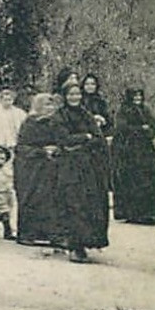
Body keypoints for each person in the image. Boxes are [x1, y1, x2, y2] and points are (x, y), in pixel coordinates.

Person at [54, 78, 109, 261]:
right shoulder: (60, 116)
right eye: (71, 94)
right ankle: (74, 246)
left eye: (77, 94)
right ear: (64, 96)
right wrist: (85, 137)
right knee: (73, 203)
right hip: (69, 166)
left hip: (88, 165)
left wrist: (83, 139)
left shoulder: (86, 114)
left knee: (90, 203)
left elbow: (98, 138)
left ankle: (88, 241)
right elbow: (63, 139)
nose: (74, 97)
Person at [13, 93, 65, 244]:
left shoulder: (56, 122)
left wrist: (56, 149)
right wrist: (42, 151)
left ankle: (52, 234)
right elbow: (22, 146)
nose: (50, 108)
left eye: (51, 105)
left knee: (52, 200)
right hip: (32, 167)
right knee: (32, 198)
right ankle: (28, 234)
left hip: (51, 166)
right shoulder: (30, 122)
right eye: (46, 105)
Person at [110, 88, 155, 225]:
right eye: (135, 96)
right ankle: (132, 212)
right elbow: (122, 128)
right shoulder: (124, 110)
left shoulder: (146, 110)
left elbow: (154, 127)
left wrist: (147, 131)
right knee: (131, 180)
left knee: (147, 179)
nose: (137, 98)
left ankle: (146, 212)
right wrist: (140, 129)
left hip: (145, 150)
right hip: (128, 150)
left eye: (139, 95)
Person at [0, 87, 26, 154]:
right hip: (0, 138)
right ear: (1, 100)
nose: (8, 102)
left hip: (15, 138)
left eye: (10, 100)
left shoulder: (19, 112)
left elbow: (24, 125)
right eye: (5, 100)